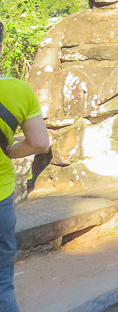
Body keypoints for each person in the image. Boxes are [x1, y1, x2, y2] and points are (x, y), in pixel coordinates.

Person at [0, 20, 51, 308]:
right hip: (0, 196)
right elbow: (40, 143)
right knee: (2, 283)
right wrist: (9, 151)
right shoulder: (18, 90)